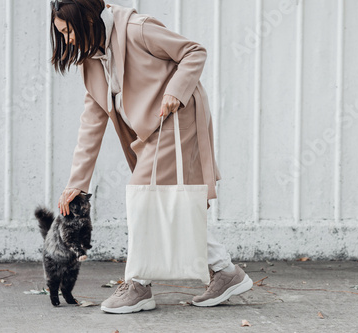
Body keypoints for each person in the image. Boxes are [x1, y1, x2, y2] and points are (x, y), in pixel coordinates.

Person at [50, 0, 252, 314]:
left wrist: (176, 90)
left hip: (177, 117)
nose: (68, 41)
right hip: (150, 131)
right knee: (167, 203)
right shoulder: (91, 59)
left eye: (68, 32)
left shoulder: (136, 28)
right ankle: (225, 271)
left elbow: (194, 51)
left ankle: (138, 284)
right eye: (61, 35)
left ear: (87, 20)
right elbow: (91, 122)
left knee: (143, 198)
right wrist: (76, 183)